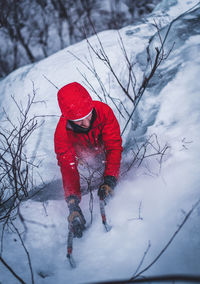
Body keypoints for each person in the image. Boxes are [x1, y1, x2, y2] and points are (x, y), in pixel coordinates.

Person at [54, 82, 123, 237]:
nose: (86, 124)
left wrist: (110, 178)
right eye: (79, 121)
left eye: (88, 116)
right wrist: (73, 204)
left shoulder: (103, 111)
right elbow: (68, 168)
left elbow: (114, 146)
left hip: (102, 150)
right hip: (82, 158)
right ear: (69, 119)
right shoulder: (62, 135)